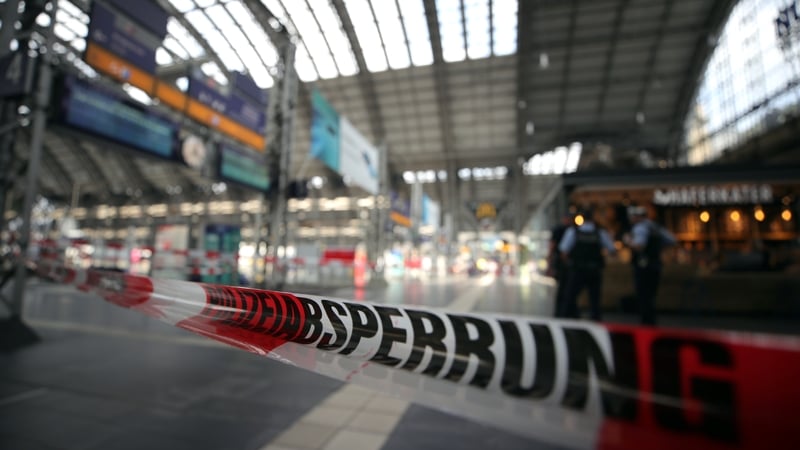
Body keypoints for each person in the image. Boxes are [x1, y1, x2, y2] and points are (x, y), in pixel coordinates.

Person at [558, 207, 616, 320]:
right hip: (594, 270)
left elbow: (564, 252)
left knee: (570, 297)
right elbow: (612, 250)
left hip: (577, 270)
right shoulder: (600, 232)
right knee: (595, 299)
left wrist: (570, 264)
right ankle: (596, 322)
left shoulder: (573, 232)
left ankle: (568, 320)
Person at [623, 206, 676, 325]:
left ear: (637, 217)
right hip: (655, 264)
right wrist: (656, 249)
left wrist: (628, 241)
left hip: (644, 266)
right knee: (651, 295)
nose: (630, 219)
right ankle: (651, 321)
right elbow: (672, 240)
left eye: (632, 217)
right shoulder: (655, 227)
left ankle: (646, 323)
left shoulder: (640, 228)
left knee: (643, 295)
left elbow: (639, 246)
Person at [547, 213, 574, 316]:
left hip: (564, 263)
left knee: (564, 288)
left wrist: (550, 262)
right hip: (566, 264)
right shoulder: (571, 230)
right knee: (564, 287)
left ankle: (562, 311)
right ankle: (563, 311)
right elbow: (554, 247)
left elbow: (552, 246)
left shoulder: (571, 230)